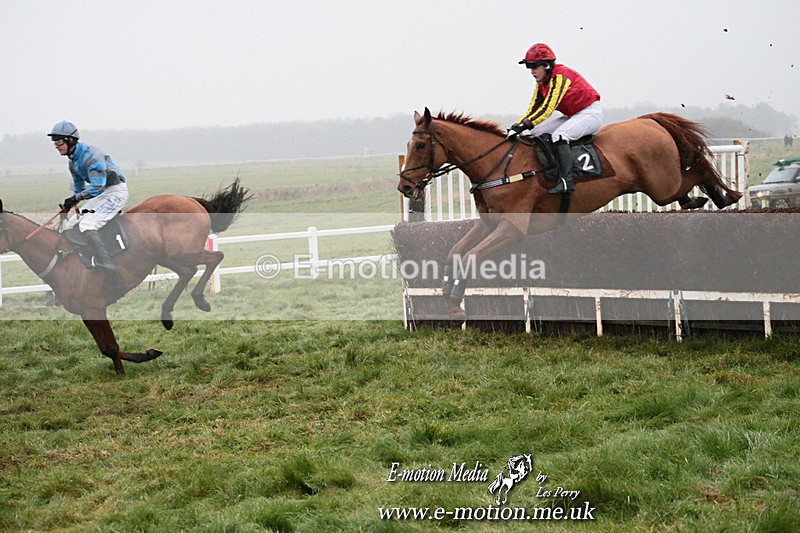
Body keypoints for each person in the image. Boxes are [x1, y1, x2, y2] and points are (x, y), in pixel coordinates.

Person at [507, 43, 603, 194]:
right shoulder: (541, 83)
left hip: (589, 113)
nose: (531, 72)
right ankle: (548, 171)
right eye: (529, 68)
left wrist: (524, 125)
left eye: (534, 67)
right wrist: (517, 125)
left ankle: (566, 181)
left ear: (546, 65)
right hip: (572, 115)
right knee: (535, 133)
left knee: (560, 136)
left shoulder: (560, 77)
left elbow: (548, 108)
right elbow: (534, 108)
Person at [47, 120, 128, 274]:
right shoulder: (73, 162)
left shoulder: (91, 156)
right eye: (54, 143)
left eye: (58, 142)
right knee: (71, 224)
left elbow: (97, 186)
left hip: (115, 192)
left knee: (87, 225)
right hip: (102, 194)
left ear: (70, 140)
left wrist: (76, 198)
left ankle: (108, 265)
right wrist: (70, 203)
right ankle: (82, 260)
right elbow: (79, 188)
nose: (56, 146)